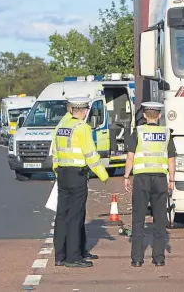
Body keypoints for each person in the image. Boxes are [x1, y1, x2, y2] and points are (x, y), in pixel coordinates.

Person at [52, 96, 109, 268]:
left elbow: (55, 151)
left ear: (71, 110)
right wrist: (103, 175)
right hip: (77, 175)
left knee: (62, 215)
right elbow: (90, 154)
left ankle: (60, 256)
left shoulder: (61, 126)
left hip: (62, 173)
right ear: (85, 112)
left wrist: (56, 170)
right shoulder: (82, 127)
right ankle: (73, 257)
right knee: (76, 216)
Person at [123, 102, 176, 267]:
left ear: (145, 115)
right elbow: (171, 159)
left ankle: (137, 259)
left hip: (141, 179)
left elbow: (130, 157)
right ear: (159, 115)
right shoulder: (166, 133)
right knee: (160, 219)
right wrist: (172, 180)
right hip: (160, 179)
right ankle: (159, 258)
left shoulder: (137, 132)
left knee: (138, 219)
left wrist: (126, 176)